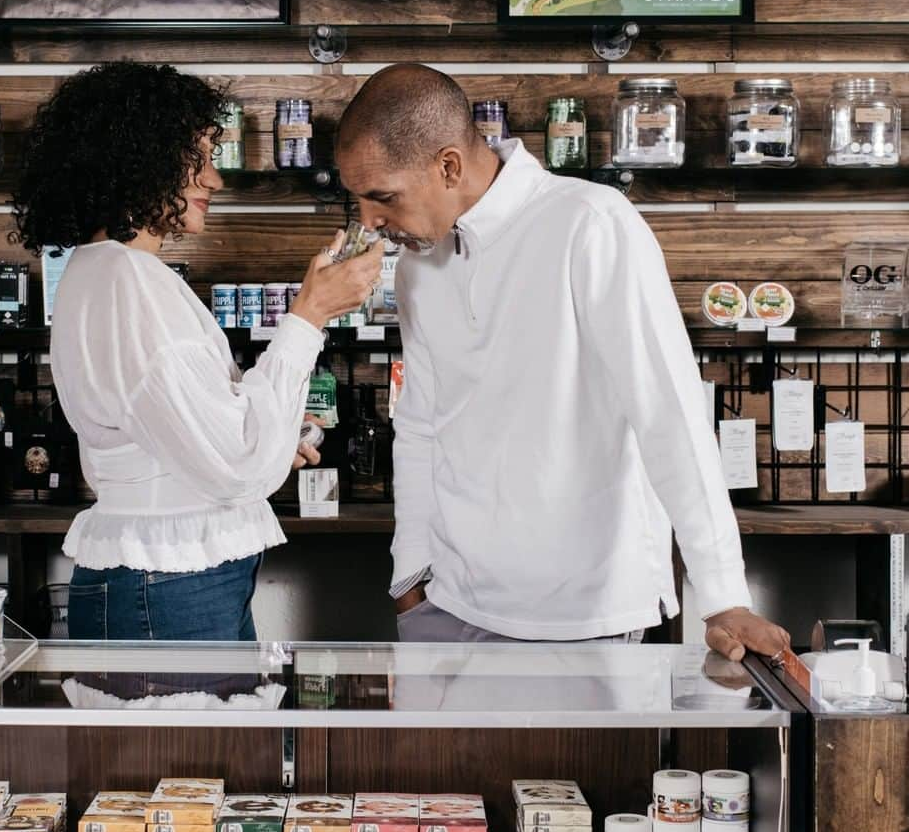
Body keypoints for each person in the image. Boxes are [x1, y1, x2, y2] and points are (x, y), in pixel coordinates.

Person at [335, 63, 789, 661]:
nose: (368, 221)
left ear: (447, 165)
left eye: (381, 197)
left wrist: (724, 594)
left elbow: (669, 413)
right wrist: (409, 576)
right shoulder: (418, 268)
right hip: (445, 605)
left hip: (587, 612)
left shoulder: (591, 224)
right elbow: (421, 424)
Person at [12, 62, 383, 641]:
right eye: (200, 158)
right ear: (141, 159)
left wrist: (270, 434)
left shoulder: (100, 269)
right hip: (168, 589)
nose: (214, 179)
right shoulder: (132, 284)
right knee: (191, 735)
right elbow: (236, 466)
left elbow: (180, 430)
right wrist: (310, 314)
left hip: (157, 582)